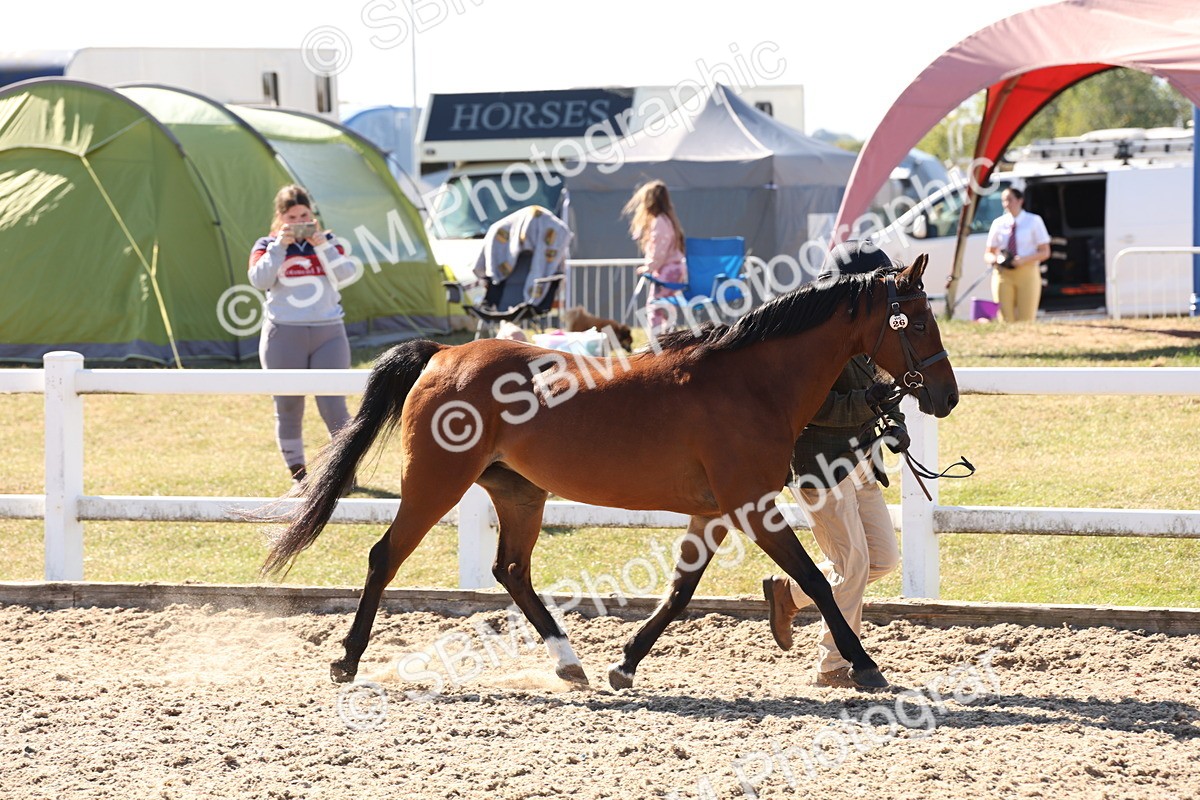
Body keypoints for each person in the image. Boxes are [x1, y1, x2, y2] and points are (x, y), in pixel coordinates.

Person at [762, 241, 909, 689]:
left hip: (863, 456)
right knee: (852, 563)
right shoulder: (810, 337)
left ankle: (788, 594)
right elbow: (812, 405)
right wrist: (865, 404)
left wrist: (894, 421)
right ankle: (834, 665)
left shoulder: (874, 328)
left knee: (882, 558)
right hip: (819, 462)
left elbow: (886, 383)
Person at [248, 185, 358, 484]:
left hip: (328, 332)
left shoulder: (328, 242)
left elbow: (346, 274)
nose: (300, 222)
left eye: (305, 215)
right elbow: (259, 279)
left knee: (334, 404)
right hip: (284, 334)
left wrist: (321, 244)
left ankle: (344, 472)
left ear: (313, 215)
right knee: (288, 405)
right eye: (293, 216)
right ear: (281, 218)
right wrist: (279, 247)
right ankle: (299, 476)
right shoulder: (267, 244)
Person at [623, 180, 687, 334]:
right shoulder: (668, 220)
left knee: (655, 305)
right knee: (665, 306)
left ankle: (656, 340)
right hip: (674, 268)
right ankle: (668, 336)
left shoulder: (659, 222)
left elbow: (659, 251)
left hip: (667, 270)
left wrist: (649, 266)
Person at [985, 186, 1051, 322]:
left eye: (1010, 200)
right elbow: (988, 253)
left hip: (1027, 272)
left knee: (1026, 317)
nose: (1006, 204)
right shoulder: (998, 223)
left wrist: (1023, 260)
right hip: (1003, 273)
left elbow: (1045, 252)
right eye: (1003, 200)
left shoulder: (1033, 221)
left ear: (1020, 201)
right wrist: (997, 259)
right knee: (1005, 318)